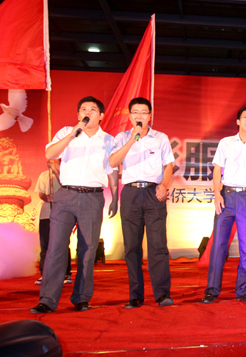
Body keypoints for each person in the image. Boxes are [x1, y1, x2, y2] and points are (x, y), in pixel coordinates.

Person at [30, 96, 118, 313]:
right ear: (78, 114)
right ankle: (47, 300)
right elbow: (50, 153)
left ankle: (81, 298)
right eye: (83, 109)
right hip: (66, 195)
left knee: (88, 250)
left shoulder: (109, 140)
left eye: (92, 109)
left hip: (92, 197)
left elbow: (112, 172)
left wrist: (115, 198)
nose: (87, 112)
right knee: (56, 247)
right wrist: (72, 135)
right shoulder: (66, 132)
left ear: (101, 115)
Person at [109, 97, 175, 308]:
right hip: (130, 193)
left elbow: (169, 165)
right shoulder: (121, 138)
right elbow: (112, 162)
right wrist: (131, 140)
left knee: (158, 245)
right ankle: (135, 295)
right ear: (130, 116)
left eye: (143, 112)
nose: (139, 116)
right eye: (135, 112)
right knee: (132, 247)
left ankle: (162, 294)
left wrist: (164, 185)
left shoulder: (160, 138)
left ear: (150, 116)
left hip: (153, 193)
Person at [202, 106, 246, 304]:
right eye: (244, 117)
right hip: (227, 195)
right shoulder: (226, 142)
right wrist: (217, 194)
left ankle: (242, 290)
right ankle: (212, 290)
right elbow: (217, 169)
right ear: (238, 121)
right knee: (218, 246)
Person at [34, 159, 72, 286]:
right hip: (46, 214)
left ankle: (66, 273)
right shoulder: (44, 175)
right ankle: (45, 274)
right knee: (45, 245)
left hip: (63, 213)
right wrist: (47, 198)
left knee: (63, 244)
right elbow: (40, 193)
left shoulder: (66, 175)